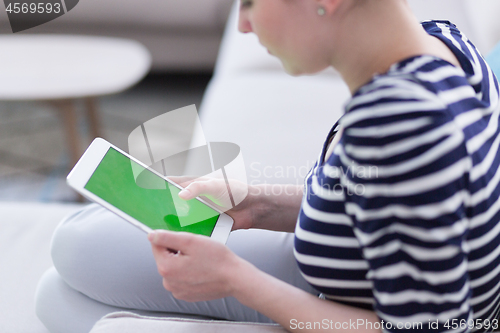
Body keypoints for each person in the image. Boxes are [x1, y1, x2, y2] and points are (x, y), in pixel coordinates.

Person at [35, 0, 500, 332]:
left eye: (252, 2)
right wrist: (257, 203)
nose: (242, 25)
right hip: (352, 278)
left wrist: (236, 282)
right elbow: (383, 196)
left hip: (346, 310)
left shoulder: (398, 123)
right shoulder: (447, 47)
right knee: (74, 251)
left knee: (57, 296)